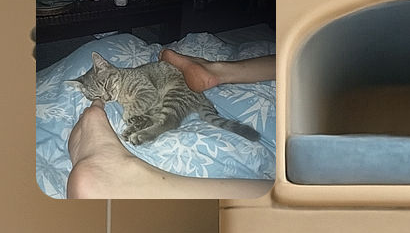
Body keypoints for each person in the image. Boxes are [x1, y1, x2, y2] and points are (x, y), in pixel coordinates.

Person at [65, 51, 277, 200]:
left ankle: (161, 126)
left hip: (175, 82)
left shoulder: (129, 77)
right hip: (167, 95)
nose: (107, 96)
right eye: (100, 96)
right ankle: (205, 69)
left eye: (107, 87)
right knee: (157, 109)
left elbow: (148, 94)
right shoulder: (110, 91)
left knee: (168, 109)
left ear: (107, 67)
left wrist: (131, 112)